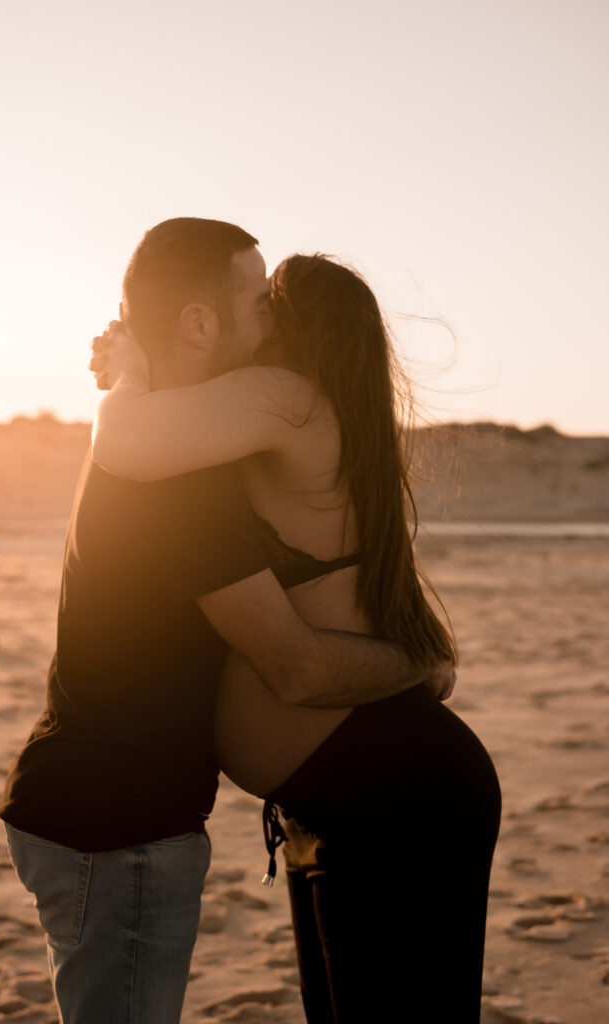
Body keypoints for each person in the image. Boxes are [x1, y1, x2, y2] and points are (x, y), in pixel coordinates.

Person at [0, 218, 454, 1024]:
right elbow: (295, 665)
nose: (273, 323)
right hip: (118, 820)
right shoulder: (179, 477)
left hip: (114, 812)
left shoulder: (187, 451)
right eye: (260, 304)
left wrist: (131, 371)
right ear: (200, 324)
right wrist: (422, 661)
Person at [89, 249, 501, 1022]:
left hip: (391, 797)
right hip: (348, 798)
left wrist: (132, 373)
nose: (251, 321)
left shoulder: (287, 398)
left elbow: (124, 443)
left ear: (292, 328)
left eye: (264, 307)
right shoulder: (319, 415)